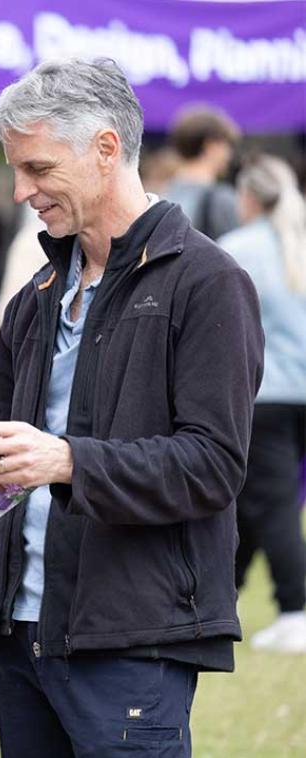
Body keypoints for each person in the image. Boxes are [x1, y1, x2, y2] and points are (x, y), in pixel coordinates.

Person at [0, 59, 263, 757]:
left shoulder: (210, 282)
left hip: (132, 641)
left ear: (104, 148)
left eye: (36, 167)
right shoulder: (35, 294)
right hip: (21, 634)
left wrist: (67, 460)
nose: (20, 190)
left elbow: (213, 466)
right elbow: (2, 468)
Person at [218, 154, 306, 654]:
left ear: (247, 197)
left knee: (271, 507)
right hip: (299, 395)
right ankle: (223, 597)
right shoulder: (297, 243)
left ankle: (295, 610)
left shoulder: (237, 249)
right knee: (254, 502)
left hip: (264, 396)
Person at [163, 106, 241, 240]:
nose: (229, 155)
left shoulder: (161, 197)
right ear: (211, 145)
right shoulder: (221, 198)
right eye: (227, 146)